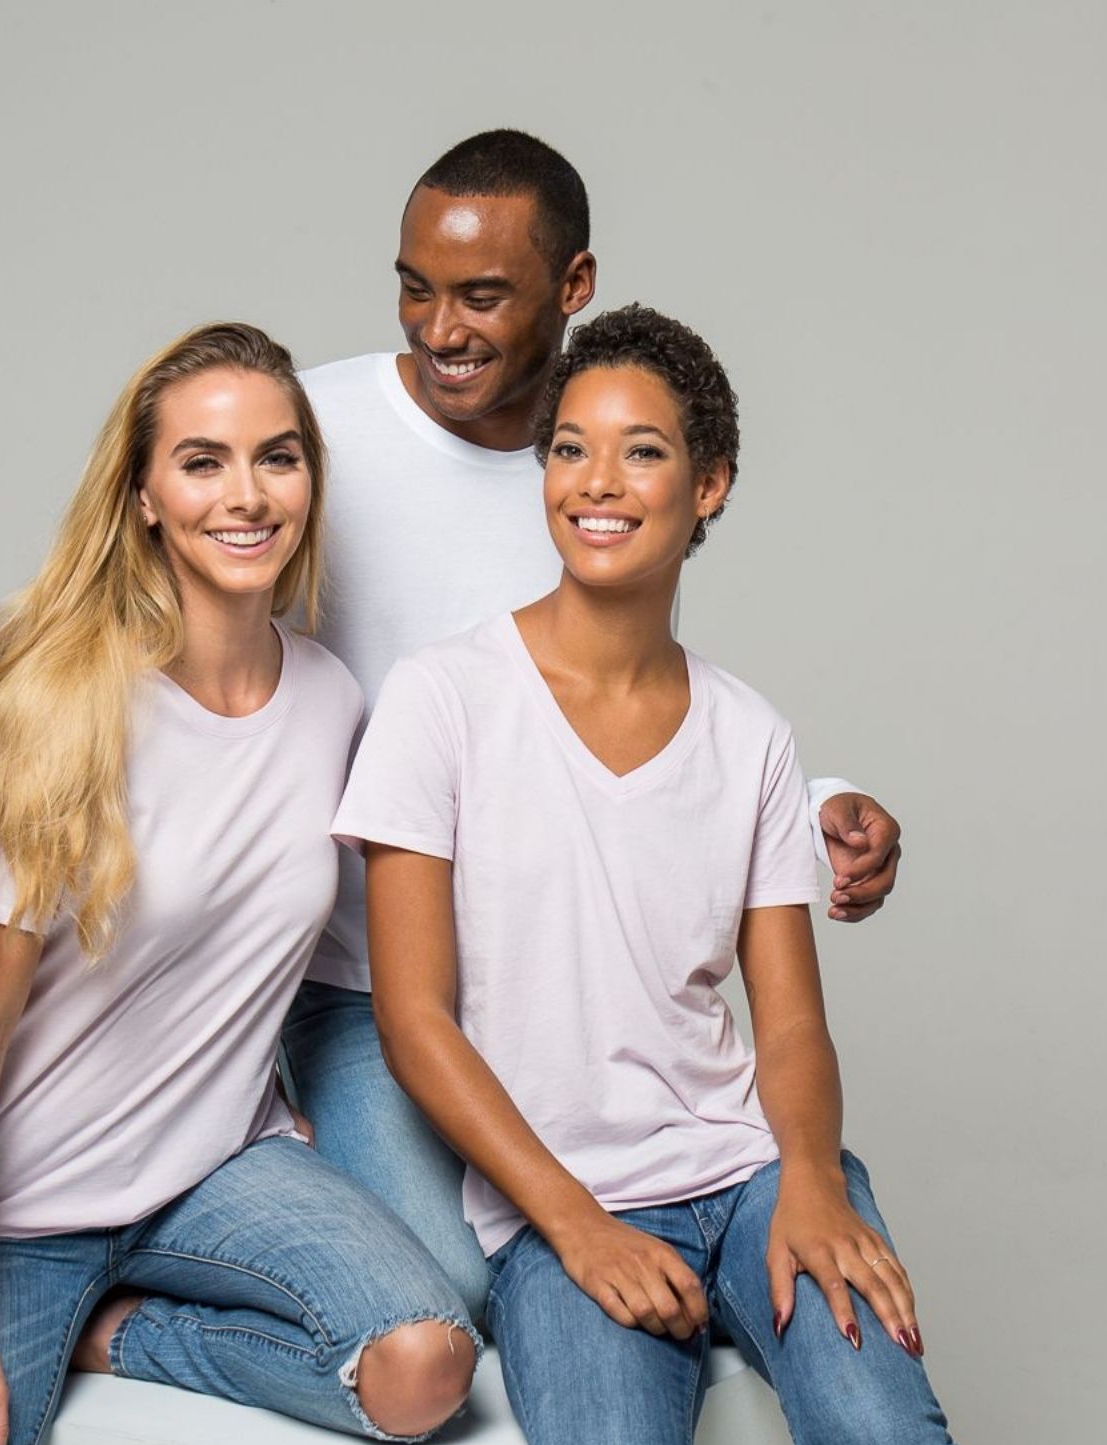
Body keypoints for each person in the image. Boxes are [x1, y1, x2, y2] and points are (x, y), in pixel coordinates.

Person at [335, 305, 1015, 1445]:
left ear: (707, 486)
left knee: (887, 1442)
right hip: (557, 1204)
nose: (596, 483)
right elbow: (415, 1019)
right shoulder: (442, 701)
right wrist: (578, 1229)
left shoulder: (751, 736)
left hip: (747, 1169)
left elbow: (791, 1022)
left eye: (640, 453)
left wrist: (811, 1176)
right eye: (569, 449)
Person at [0, 323, 478, 1445]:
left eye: (277, 459)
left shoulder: (330, 702)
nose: (245, 496)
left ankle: (124, 1336)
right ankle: (39, 1313)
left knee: (424, 1364)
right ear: (143, 496)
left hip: (215, 1173)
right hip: (18, 1214)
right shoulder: (62, 710)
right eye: (202, 462)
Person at [286, 129, 906, 1321]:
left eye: (482, 296)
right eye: (415, 289)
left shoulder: (599, 475)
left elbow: (619, 701)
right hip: (360, 986)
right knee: (457, 1288)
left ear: (573, 289)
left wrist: (810, 802)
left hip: (540, 996)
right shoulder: (316, 435)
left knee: (592, 1282)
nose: (440, 329)